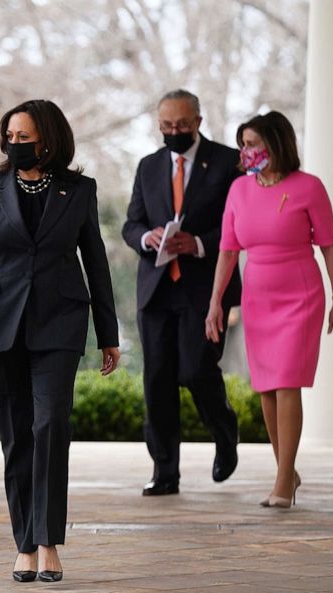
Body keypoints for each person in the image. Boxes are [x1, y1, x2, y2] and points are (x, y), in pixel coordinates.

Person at [0, 99, 120, 583]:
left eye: (25, 137)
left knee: (50, 426)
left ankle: (48, 542)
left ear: (48, 139)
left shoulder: (78, 190)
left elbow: (97, 263)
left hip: (61, 322)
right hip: (2, 322)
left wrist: (107, 334)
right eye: (10, 137)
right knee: (16, 433)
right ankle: (24, 543)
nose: (15, 145)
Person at [206, 111, 333, 508]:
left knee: (287, 382)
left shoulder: (309, 187)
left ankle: (283, 480)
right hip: (258, 296)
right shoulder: (239, 190)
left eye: (253, 144)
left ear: (276, 143)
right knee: (266, 387)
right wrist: (216, 302)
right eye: (243, 144)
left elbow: (330, 246)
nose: (246, 152)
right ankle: (286, 469)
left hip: (300, 295)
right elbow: (228, 251)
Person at [121, 89, 242, 497]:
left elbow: (239, 223)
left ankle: (225, 431)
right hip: (155, 290)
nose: (174, 132)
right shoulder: (149, 166)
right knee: (157, 381)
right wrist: (146, 237)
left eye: (182, 125)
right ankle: (165, 471)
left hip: (204, 289)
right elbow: (130, 223)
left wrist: (200, 243)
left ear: (199, 122)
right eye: (167, 126)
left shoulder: (227, 162)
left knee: (195, 370)